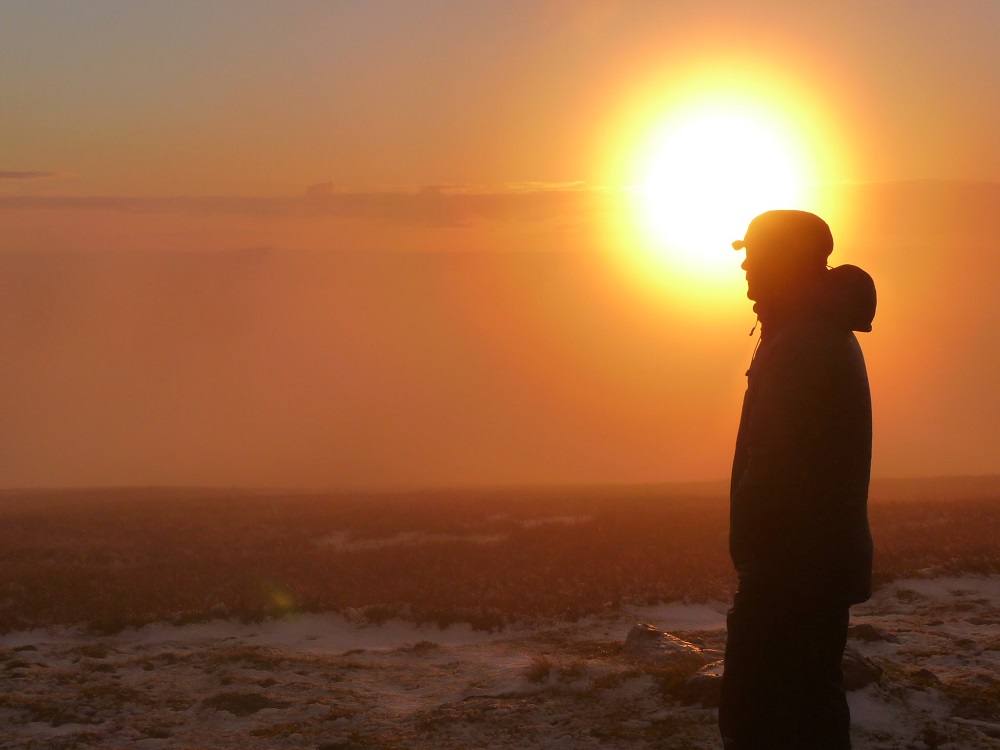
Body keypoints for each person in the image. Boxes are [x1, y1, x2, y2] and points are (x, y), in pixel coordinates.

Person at [720, 210, 876, 749]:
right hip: (802, 570)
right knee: (804, 710)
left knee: (763, 720)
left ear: (785, 260)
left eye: (754, 253)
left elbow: (780, 465)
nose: (744, 265)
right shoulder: (803, 331)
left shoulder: (804, 341)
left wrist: (760, 562)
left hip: (792, 574)